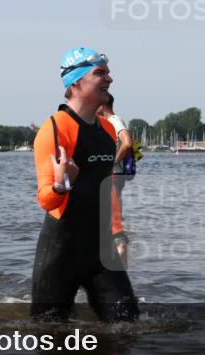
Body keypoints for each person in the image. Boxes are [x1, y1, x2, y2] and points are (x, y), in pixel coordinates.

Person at [31, 47, 138, 322]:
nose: (109, 79)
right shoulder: (55, 129)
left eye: (108, 72)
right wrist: (61, 185)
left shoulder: (106, 130)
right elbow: (45, 199)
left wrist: (118, 231)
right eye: (100, 73)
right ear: (76, 82)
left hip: (101, 250)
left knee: (129, 325)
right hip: (61, 252)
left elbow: (107, 189)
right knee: (49, 334)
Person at [96, 94, 135, 261]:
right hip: (113, 176)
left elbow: (127, 142)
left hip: (113, 176)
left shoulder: (114, 120)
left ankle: (121, 263)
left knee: (113, 220)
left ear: (103, 105)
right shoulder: (109, 122)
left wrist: (111, 163)